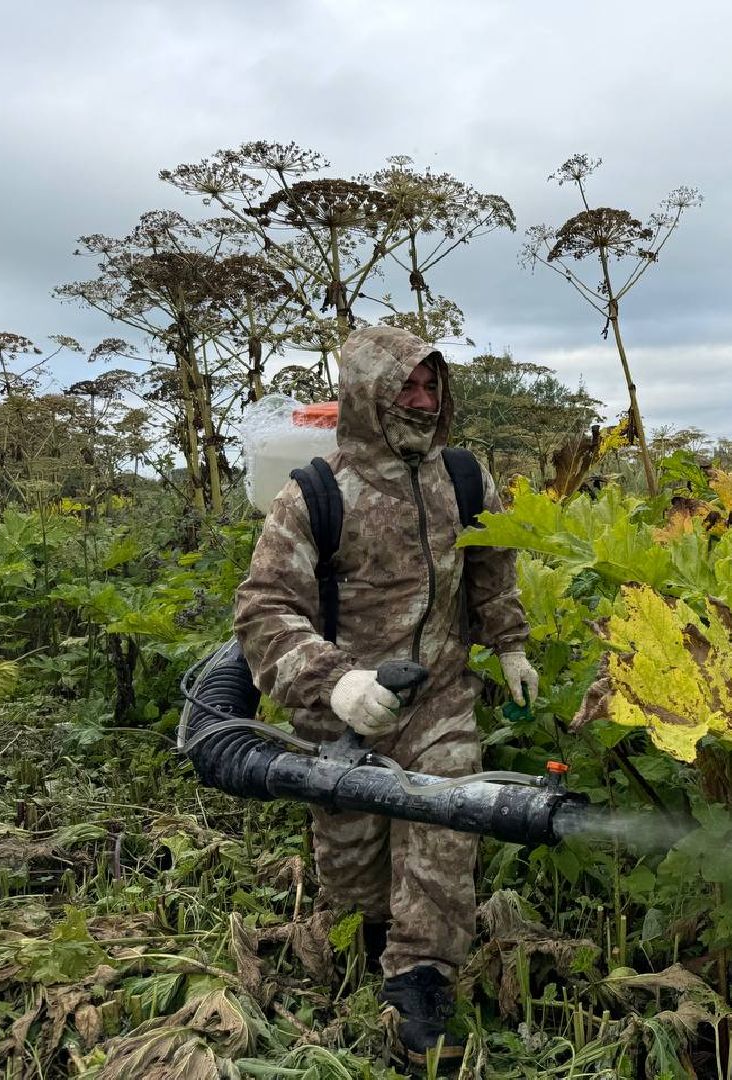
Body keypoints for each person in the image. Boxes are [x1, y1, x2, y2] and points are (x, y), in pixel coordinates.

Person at [233, 325, 538, 1057]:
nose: (423, 401)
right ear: (367, 394)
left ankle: (421, 984)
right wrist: (337, 683)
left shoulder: (464, 479)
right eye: (407, 386)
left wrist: (510, 644)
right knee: (354, 878)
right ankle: (375, 935)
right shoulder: (313, 495)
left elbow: (492, 564)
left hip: (441, 703)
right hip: (343, 719)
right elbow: (263, 611)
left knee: (446, 822)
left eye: (432, 386)